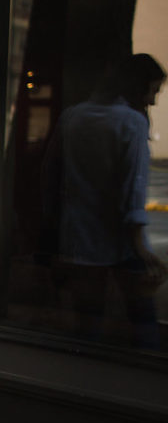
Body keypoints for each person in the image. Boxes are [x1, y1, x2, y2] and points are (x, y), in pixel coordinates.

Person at [53, 53, 167, 348]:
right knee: (143, 323)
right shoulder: (132, 122)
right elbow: (133, 189)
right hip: (121, 242)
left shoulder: (73, 116)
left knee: (87, 324)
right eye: (153, 91)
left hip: (77, 237)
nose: (153, 101)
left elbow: (51, 177)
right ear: (138, 86)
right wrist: (142, 247)